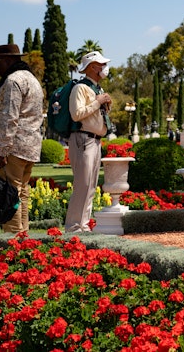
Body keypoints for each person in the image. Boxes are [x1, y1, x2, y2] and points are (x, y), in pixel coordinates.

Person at [0, 44, 44, 234]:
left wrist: (1, 150)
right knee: (21, 193)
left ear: (9, 61)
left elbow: (10, 117)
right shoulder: (32, 80)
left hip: (14, 148)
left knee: (8, 195)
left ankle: (11, 242)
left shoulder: (13, 80)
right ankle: (23, 237)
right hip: (30, 147)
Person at [64, 50, 113, 232]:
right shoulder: (80, 88)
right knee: (83, 185)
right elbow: (76, 115)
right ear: (92, 67)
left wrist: (104, 104)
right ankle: (73, 227)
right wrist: (98, 102)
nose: (104, 68)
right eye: (101, 65)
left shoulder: (96, 89)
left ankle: (83, 225)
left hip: (94, 140)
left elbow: (94, 115)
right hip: (82, 140)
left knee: (90, 185)